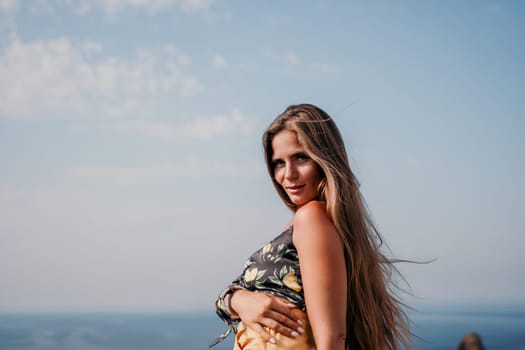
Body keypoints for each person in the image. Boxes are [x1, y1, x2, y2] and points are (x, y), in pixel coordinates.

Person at [210, 104, 411, 350]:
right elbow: (231, 292)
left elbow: (332, 338)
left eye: (301, 158)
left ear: (324, 159)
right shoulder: (306, 224)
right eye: (278, 163)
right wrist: (239, 300)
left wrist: (237, 300)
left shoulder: (312, 219)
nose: (288, 174)